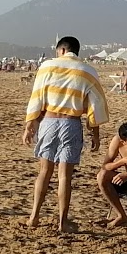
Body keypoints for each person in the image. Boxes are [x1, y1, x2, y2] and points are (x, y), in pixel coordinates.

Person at [24, 36, 108, 233]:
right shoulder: (87, 71)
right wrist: (95, 133)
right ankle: (63, 222)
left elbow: (37, 96)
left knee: (44, 172)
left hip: (49, 122)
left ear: (61, 50)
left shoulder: (47, 67)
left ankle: (34, 217)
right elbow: (94, 106)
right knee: (64, 177)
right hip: (71, 123)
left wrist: (30, 124)